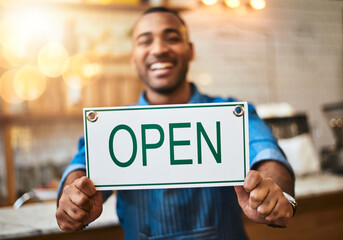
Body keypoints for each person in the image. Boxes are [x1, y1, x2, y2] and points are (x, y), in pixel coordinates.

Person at [56, 7, 296, 239]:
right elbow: (83, 165)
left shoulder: (228, 113)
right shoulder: (113, 125)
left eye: (171, 38)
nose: (159, 49)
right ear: (133, 57)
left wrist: (275, 193)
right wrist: (75, 197)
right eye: (145, 41)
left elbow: (267, 153)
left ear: (190, 50)